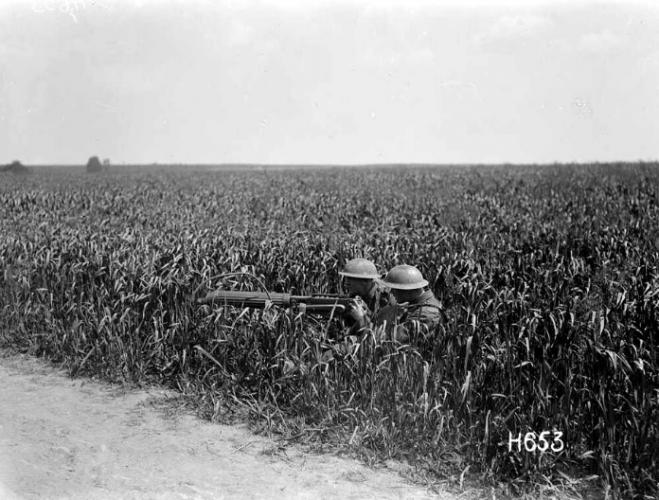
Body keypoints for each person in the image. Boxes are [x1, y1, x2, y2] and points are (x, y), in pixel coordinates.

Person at [374, 264, 445, 341]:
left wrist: (361, 320)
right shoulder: (418, 305)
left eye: (395, 289)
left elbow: (395, 339)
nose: (392, 292)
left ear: (408, 290)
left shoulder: (428, 313)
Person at [338, 258, 392, 335]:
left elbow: (383, 335)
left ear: (366, 281)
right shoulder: (356, 296)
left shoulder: (387, 298)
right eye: (346, 278)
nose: (346, 282)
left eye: (350, 278)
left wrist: (361, 318)